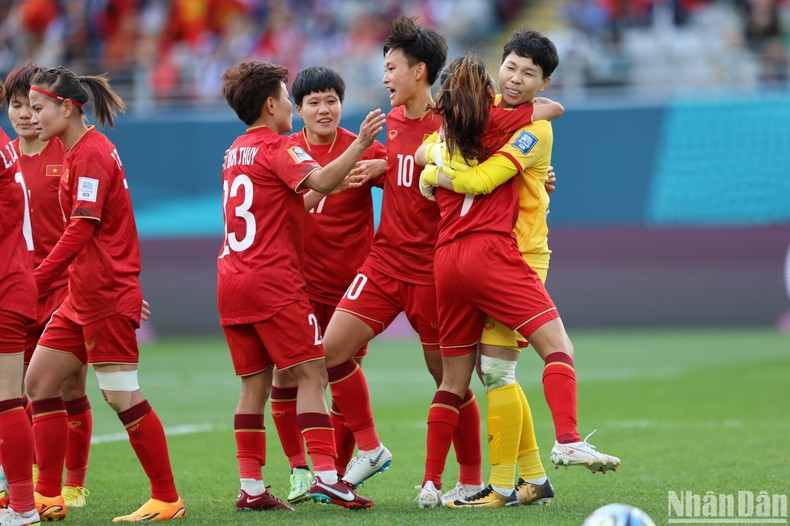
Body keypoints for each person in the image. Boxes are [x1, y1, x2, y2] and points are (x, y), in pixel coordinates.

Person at [417, 31, 620, 508]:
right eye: (510, 67)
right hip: (494, 253)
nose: (516, 78)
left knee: (495, 372)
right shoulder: (488, 113)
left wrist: (435, 174)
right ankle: (523, 477)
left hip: (523, 252)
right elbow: (437, 147)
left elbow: (441, 151)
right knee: (497, 371)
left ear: (543, 80)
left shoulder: (525, 125)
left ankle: (508, 483)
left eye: (529, 73)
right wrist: (437, 170)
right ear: (498, 65)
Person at [218, 60, 385, 510]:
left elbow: (294, 198)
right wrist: (364, 145)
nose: (294, 106)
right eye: (290, 99)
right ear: (271, 104)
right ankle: (328, 476)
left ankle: (251, 487)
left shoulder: (234, 150)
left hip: (231, 279)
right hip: (275, 282)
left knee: (253, 387)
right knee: (314, 371)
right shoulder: (279, 147)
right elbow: (325, 180)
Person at [24, 67, 185, 522]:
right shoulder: (73, 150)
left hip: (104, 296)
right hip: (82, 297)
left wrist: (36, 280)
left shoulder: (92, 154)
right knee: (39, 384)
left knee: (121, 396)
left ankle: (166, 498)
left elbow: (82, 227)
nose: (33, 117)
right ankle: (47, 495)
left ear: (67, 108)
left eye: (39, 108)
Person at [267, 66, 387, 505]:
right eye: (314, 102)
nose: (324, 109)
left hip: (351, 288)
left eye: (331, 100)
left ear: (341, 102)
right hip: (298, 287)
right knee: (287, 376)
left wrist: (386, 164)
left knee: (339, 375)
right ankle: (302, 470)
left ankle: (332, 474)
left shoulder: (367, 147)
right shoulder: (285, 150)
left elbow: (412, 185)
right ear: (297, 110)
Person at [3, 63, 91, 510]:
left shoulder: (70, 152)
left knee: (66, 388)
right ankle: (28, 482)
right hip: (18, 290)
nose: (24, 115)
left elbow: (94, 227)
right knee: (18, 392)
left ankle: (70, 485)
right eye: (15, 106)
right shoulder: (7, 158)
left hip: (64, 289)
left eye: (30, 106)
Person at [0, 77, 41, 526]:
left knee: (9, 397)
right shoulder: (9, 147)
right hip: (16, 280)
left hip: (7, 283)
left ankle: (25, 504)